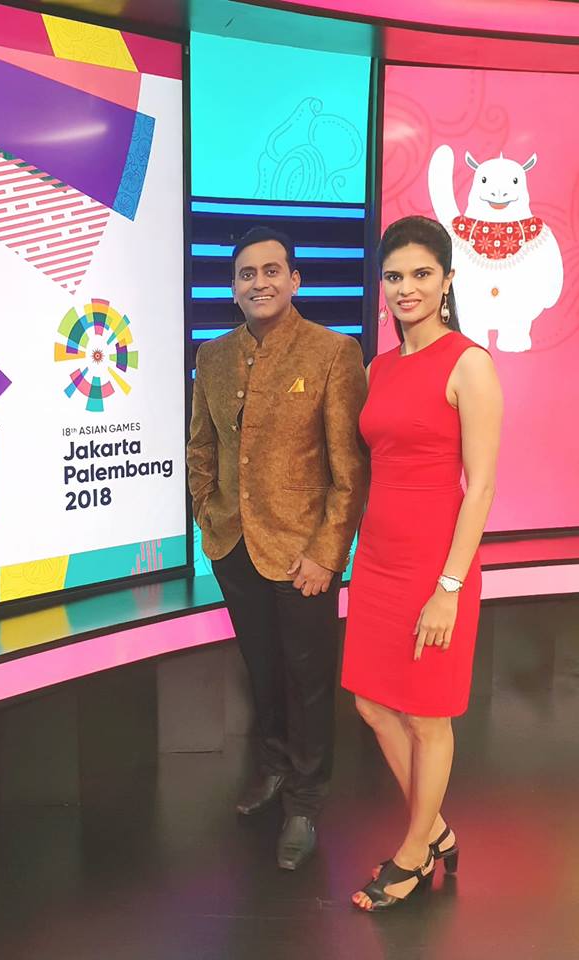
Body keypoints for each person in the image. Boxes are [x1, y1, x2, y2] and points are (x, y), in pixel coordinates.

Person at [187, 226, 369, 870]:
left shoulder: (332, 352)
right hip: (233, 545)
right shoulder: (213, 357)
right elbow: (201, 446)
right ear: (233, 288)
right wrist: (207, 514)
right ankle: (272, 768)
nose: (259, 282)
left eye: (271, 271)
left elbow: (350, 469)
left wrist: (328, 553)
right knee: (262, 670)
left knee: (308, 679)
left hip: (302, 556)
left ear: (295, 280)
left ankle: (305, 800)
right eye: (247, 274)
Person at [342, 216, 502, 911]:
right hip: (378, 560)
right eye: (394, 276)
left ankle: (412, 854)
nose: (405, 288)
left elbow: (482, 486)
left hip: (436, 566)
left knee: (427, 717)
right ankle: (435, 830)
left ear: (447, 280)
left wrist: (448, 588)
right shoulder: (378, 367)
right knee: (372, 703)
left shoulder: (469, 362)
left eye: (421, 274)